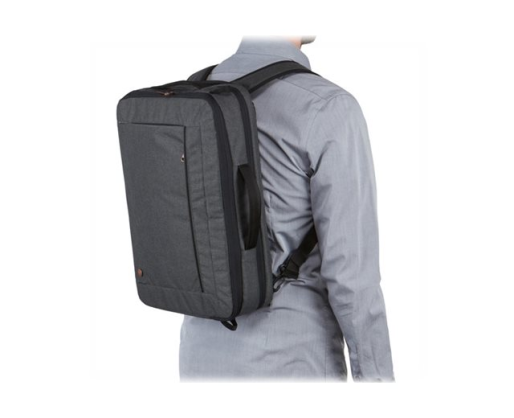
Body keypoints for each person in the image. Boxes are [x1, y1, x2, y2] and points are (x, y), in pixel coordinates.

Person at [179, 35, 395, 382]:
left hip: (197, 358)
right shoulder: (327, 108)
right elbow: (353, 282)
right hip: (290, 363)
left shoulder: (194, 95)